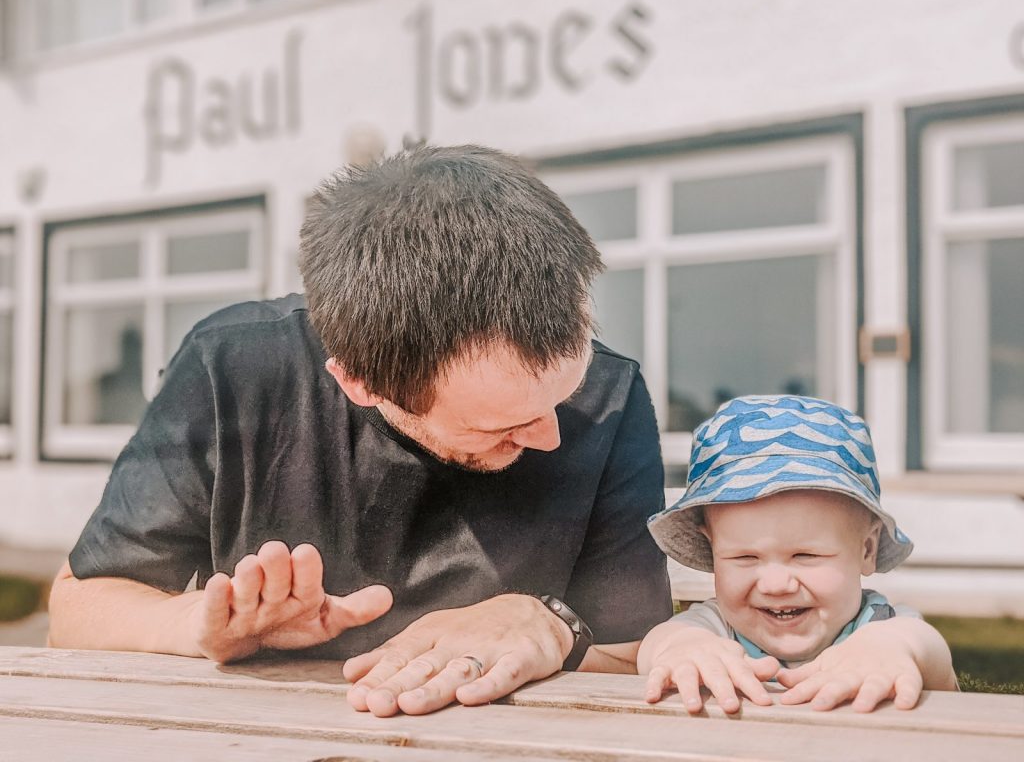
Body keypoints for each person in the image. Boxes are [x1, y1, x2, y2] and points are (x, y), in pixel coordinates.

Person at [48, 144, 672, 717]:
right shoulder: (235, 366)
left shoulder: (610, 397)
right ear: (358, 383)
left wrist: (544, 623)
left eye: (563, 394)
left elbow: (637, 651)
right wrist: (209, 628)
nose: (551, 437)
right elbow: (78, 609)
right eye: (503, 425)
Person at [640, 395, 957, 714]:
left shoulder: (881, 626)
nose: (776, 584)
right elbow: (657, 644)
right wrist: (684, 648)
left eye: (805, 555)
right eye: (745, 558)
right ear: (713, 551)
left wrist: (889, 649)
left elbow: (930, 652)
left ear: (867, 549)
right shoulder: (716, 628)